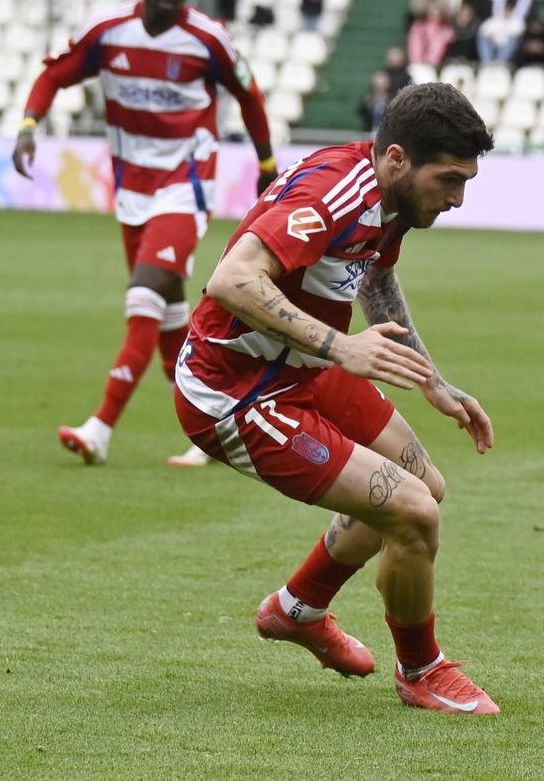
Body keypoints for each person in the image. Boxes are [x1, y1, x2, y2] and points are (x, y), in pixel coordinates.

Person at [174, 82, 501, 714]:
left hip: (300, 367)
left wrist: (432, 380)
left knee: (424, 487)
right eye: (450, 179)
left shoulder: (390, 198)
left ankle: (296, 610)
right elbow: (232, 279)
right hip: (237, 391)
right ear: (398, 158)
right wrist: (340, 346)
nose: (457, 198)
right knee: (413, 513)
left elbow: (375, 277)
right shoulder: (334, 191)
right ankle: (422, 671)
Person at [12, 0, 277, 468]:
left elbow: (250, 95)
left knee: (143, 295)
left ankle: (100, 427)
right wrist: (28, 125)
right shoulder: (109, 32)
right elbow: (53, 75)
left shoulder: (206, 39)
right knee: (170, 317)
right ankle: (222, 425)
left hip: (186, 184)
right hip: (132, 190)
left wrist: (267, 165)